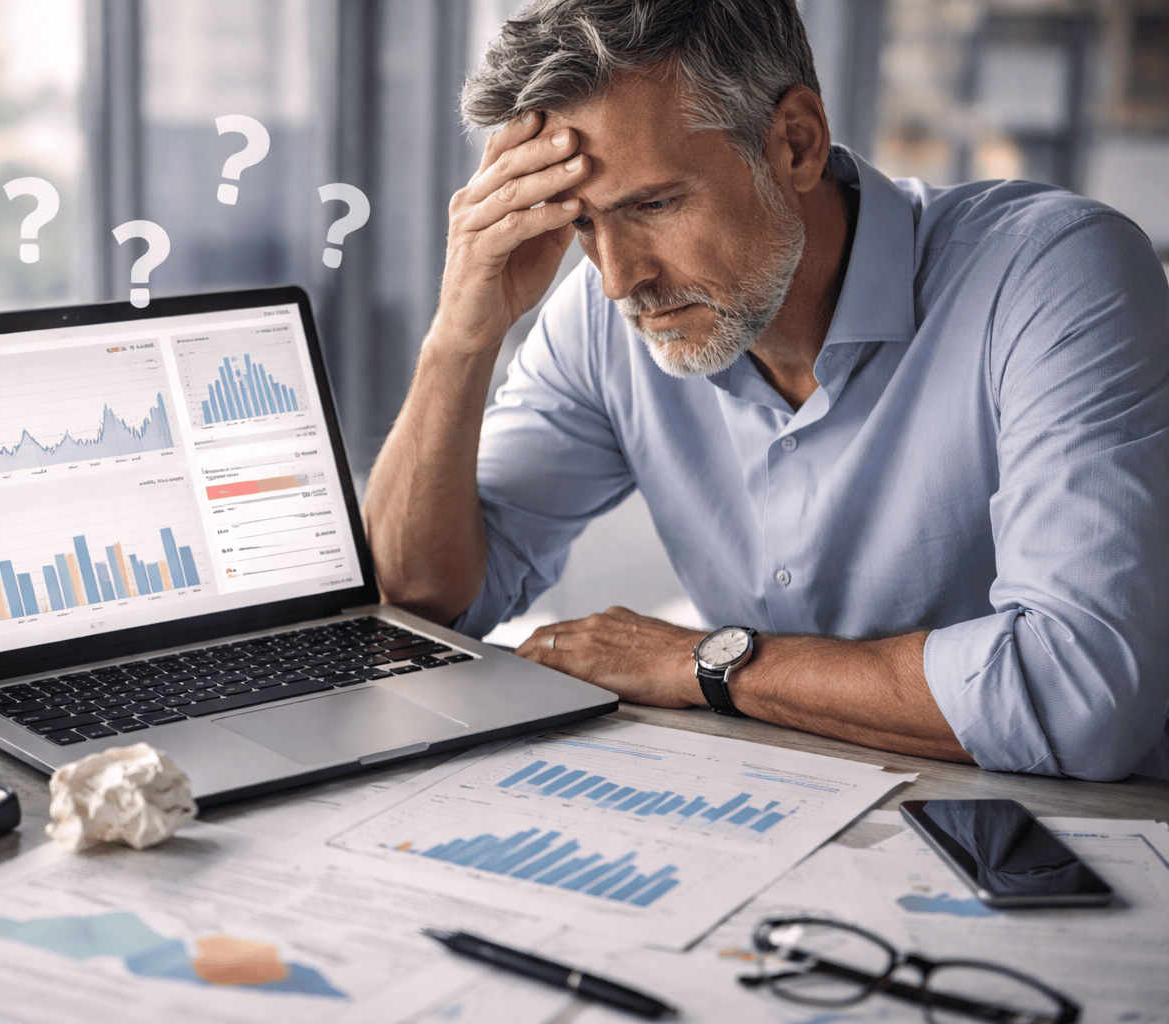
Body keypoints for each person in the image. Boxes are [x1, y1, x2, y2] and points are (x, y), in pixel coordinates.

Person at [362, 0, 1169, 782]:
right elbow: (419, 605)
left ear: (795, 143)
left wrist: (703, 661)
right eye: (580, 224)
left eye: (653, 204)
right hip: (768, 815)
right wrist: (461, 340)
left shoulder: (1052, 276)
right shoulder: (606, 321)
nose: (618, 279)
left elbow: (1083, 698)